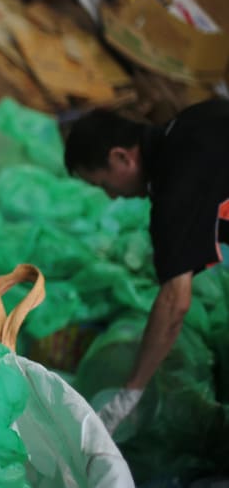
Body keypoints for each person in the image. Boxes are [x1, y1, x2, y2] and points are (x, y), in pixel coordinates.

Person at [63, 98, 229, 436]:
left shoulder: (173, 193)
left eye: (104, 185)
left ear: (121, 157)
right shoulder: (196, 118)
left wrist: (131, 391)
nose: (112, 197)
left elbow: (174, 303)